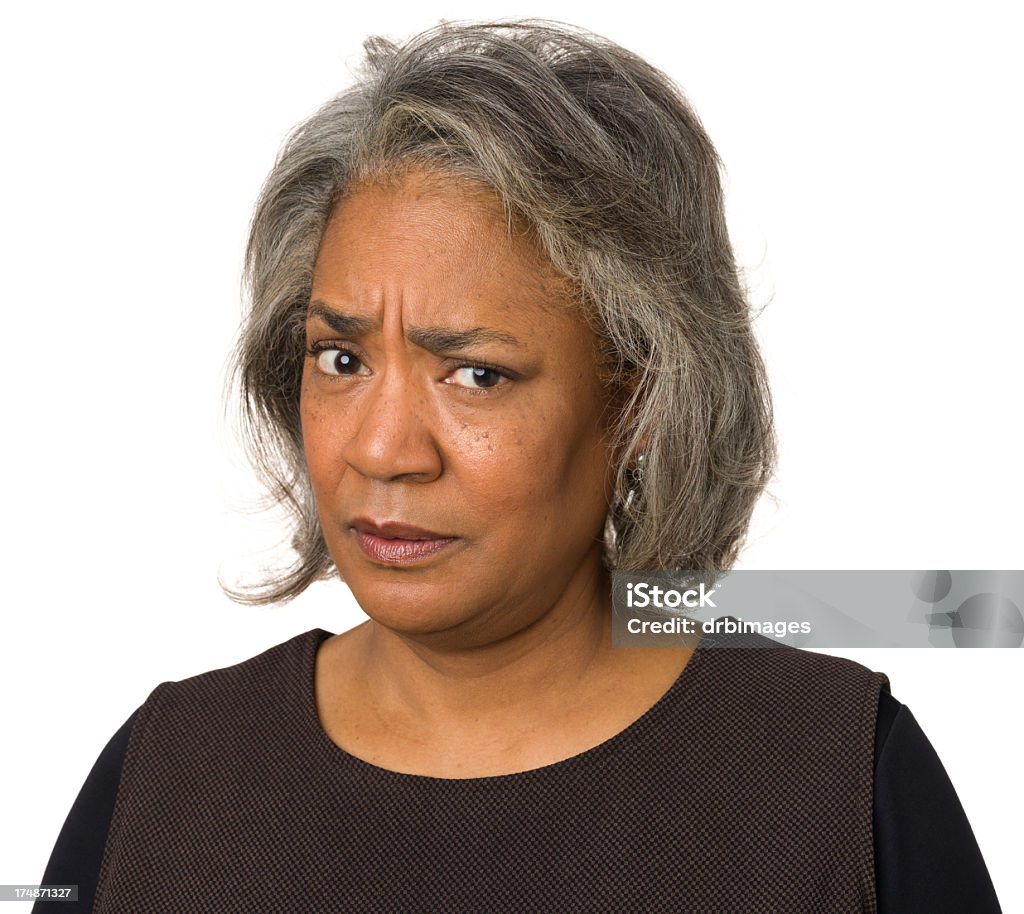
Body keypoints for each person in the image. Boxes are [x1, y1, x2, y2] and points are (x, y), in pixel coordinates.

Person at [34, 20, 1002, 913]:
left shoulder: (838, 787)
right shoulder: (164, 786)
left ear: (637, 400)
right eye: (341, 357)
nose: (381, 447)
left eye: (476, 374)